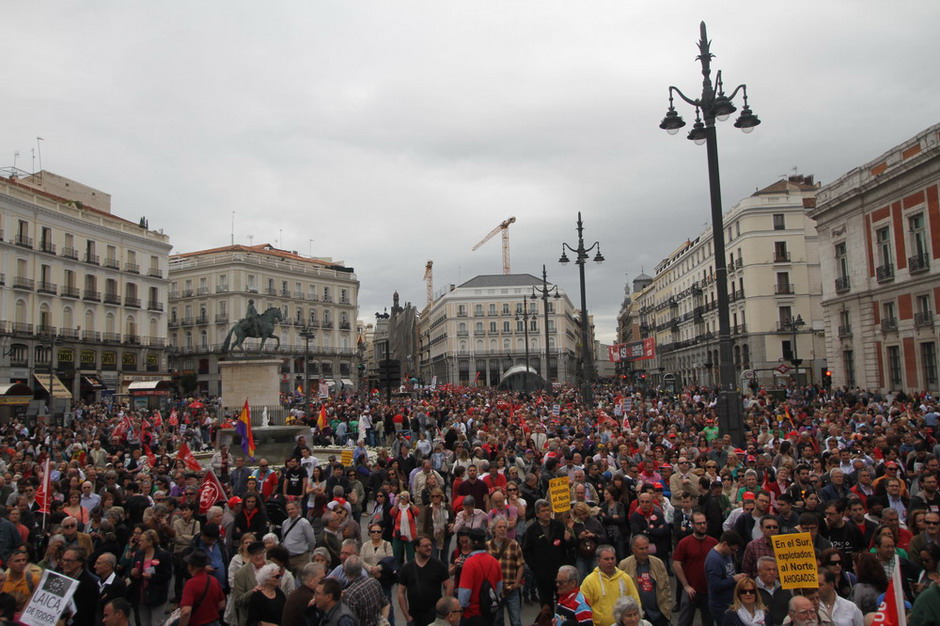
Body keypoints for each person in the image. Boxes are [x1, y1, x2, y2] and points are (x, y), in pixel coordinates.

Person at [521, 499, 576, 610]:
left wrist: (569, 540)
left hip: (560, 574)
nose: (546, 513)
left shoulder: (559, 526)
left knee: (564, 604)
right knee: (546, 607)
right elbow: (526, 551)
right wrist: (535, 568)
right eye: (543, 511)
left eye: (548, 510)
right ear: (537, 514)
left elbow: (569, 547)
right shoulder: (531, 530)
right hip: (542, 575)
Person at [673, 511, 718, 626]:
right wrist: (686, 586)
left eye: (704, 523)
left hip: (708, 591)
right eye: (699, 523)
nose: (702, 526)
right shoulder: (684, 543)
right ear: (692, 525)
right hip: (690, 592)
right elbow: (676, 564)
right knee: (684, 622)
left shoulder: (713, 542)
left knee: (709, 622)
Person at [398, 534, 452, 626]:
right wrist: (407, 616)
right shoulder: (407, 568)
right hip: (414, 616)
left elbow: (449, 586)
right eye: (425, 546)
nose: (430, 548)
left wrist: (444, 608)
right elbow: (400, 592)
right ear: (417, 548)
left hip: (435, 616)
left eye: (430, 545)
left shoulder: (438, 566)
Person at [582, 544, 640, 626]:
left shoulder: (625, 578)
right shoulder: (589, 581)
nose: (610, 562)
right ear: (598, 560)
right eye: (606, 559)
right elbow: (584, 609)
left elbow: (636, 602)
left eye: (612, 558)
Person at [619, 534, 671, 626]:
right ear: (633, 549)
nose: (645, 551)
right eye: (641, 548)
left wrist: (667, 609)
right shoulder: (624, 565)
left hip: (658, 614)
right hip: (636, 616)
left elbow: (666, 588)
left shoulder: (658, 563)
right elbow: (620, 590)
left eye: (646, 548)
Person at [456, 528, 502, 625]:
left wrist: (461, 607)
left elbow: (465, 592)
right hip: (489, 612)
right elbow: (498, 587)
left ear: (470, 542)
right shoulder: (495, 561)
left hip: (473, 614)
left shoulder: (469, 563)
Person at [486, 515, 526, 626]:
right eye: (500, 527)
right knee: (497, 621)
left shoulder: (514, 544)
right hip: (495, 591)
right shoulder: (487, 546)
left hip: (511, 589)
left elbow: (521, 564)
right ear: (494, 529)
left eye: (504, 527)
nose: (503, 529)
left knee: (516, 621)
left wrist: (517, 583)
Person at [128, 529, 172, 626]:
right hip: (141, 594)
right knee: (144, 623)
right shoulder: (139, 554)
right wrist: (132, 573)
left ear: (150, 542)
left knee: (157, 623)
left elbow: (167, 575)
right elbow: (132, 571)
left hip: (157, 594)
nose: (140, 543)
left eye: (142, 541)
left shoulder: (163, 555)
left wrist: (152, 577)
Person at [706, 531, 746, 621]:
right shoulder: (714, 560)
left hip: (729, 602)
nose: (733, 553)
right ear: (725, 544)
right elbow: (715, 585)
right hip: (720, 605)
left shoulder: (726, 554)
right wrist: (734, 579)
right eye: (732, 550)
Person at [178, 549, 226, 626]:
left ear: (191, 566)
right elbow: (222, 604)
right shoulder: (214, 580)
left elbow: (186, 611)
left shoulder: (191, 584)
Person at [342, 555, 387, 626]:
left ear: (346, 572)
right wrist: (383, 621)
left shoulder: (350, 595)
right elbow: (385, 604)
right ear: (361, 568)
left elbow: (352, 622)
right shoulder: (374, 582)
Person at [232, 541, 268, 626]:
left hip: (270, 618)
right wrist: (253, 591)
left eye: (261, 553)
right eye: (255, 554)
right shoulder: (241, 573)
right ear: (249, 556)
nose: (259, 556)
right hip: (251, 619)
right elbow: (237, 602)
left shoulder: (272, 567)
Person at [60, 547, 100, 626]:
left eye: (69, 561)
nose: (65, 564)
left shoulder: (89, 584)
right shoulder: (60, 578)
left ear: (80, 562)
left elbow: (86, 614)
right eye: (64, 560)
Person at [282, 561, 324, 626]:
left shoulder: (295, 593)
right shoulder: (310, 598)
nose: (324, 582)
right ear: (311, 581)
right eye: (321, 578)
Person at [281, 500, 317, 576]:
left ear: (298, 509)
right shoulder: (285, 523)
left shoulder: (305, 523)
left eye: (292, 509)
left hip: (301, 558)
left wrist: (306, 551)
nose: (290, 511)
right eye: (288, 510)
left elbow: (312, 540)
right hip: (288, 559)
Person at [754, 556, 790, 625]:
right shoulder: (751, 590)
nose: (772, 572)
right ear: (759, 570)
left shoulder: (785, 590)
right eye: (768, 569)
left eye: (774, 569)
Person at [93, 552, 127, 624]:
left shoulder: (117, 585)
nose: (95, 566)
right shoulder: (96, 582)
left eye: (98, 563)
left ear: (108, 566)